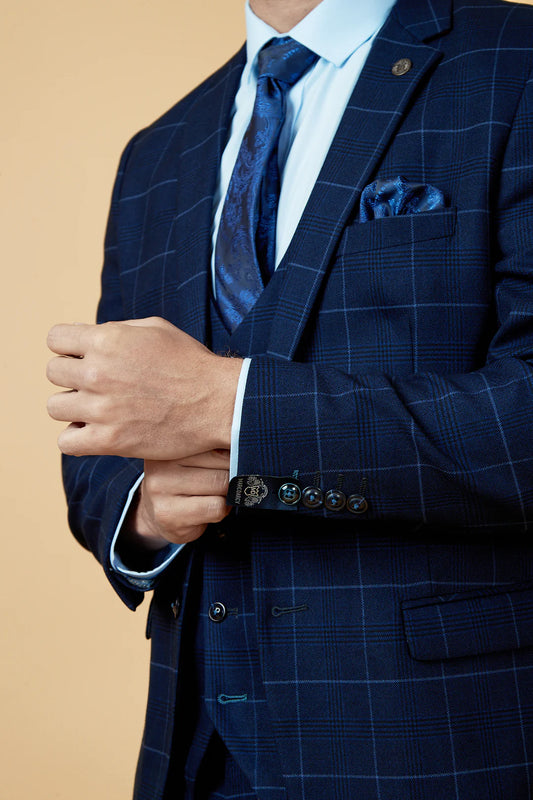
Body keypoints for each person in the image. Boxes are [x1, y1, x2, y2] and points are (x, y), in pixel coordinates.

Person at [47, 0, 533, 797]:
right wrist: (144, 511)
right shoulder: (159, 151)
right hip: (196, 749)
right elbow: (108, 430)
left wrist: (233, 407)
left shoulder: (514, 63)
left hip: (437, 745)